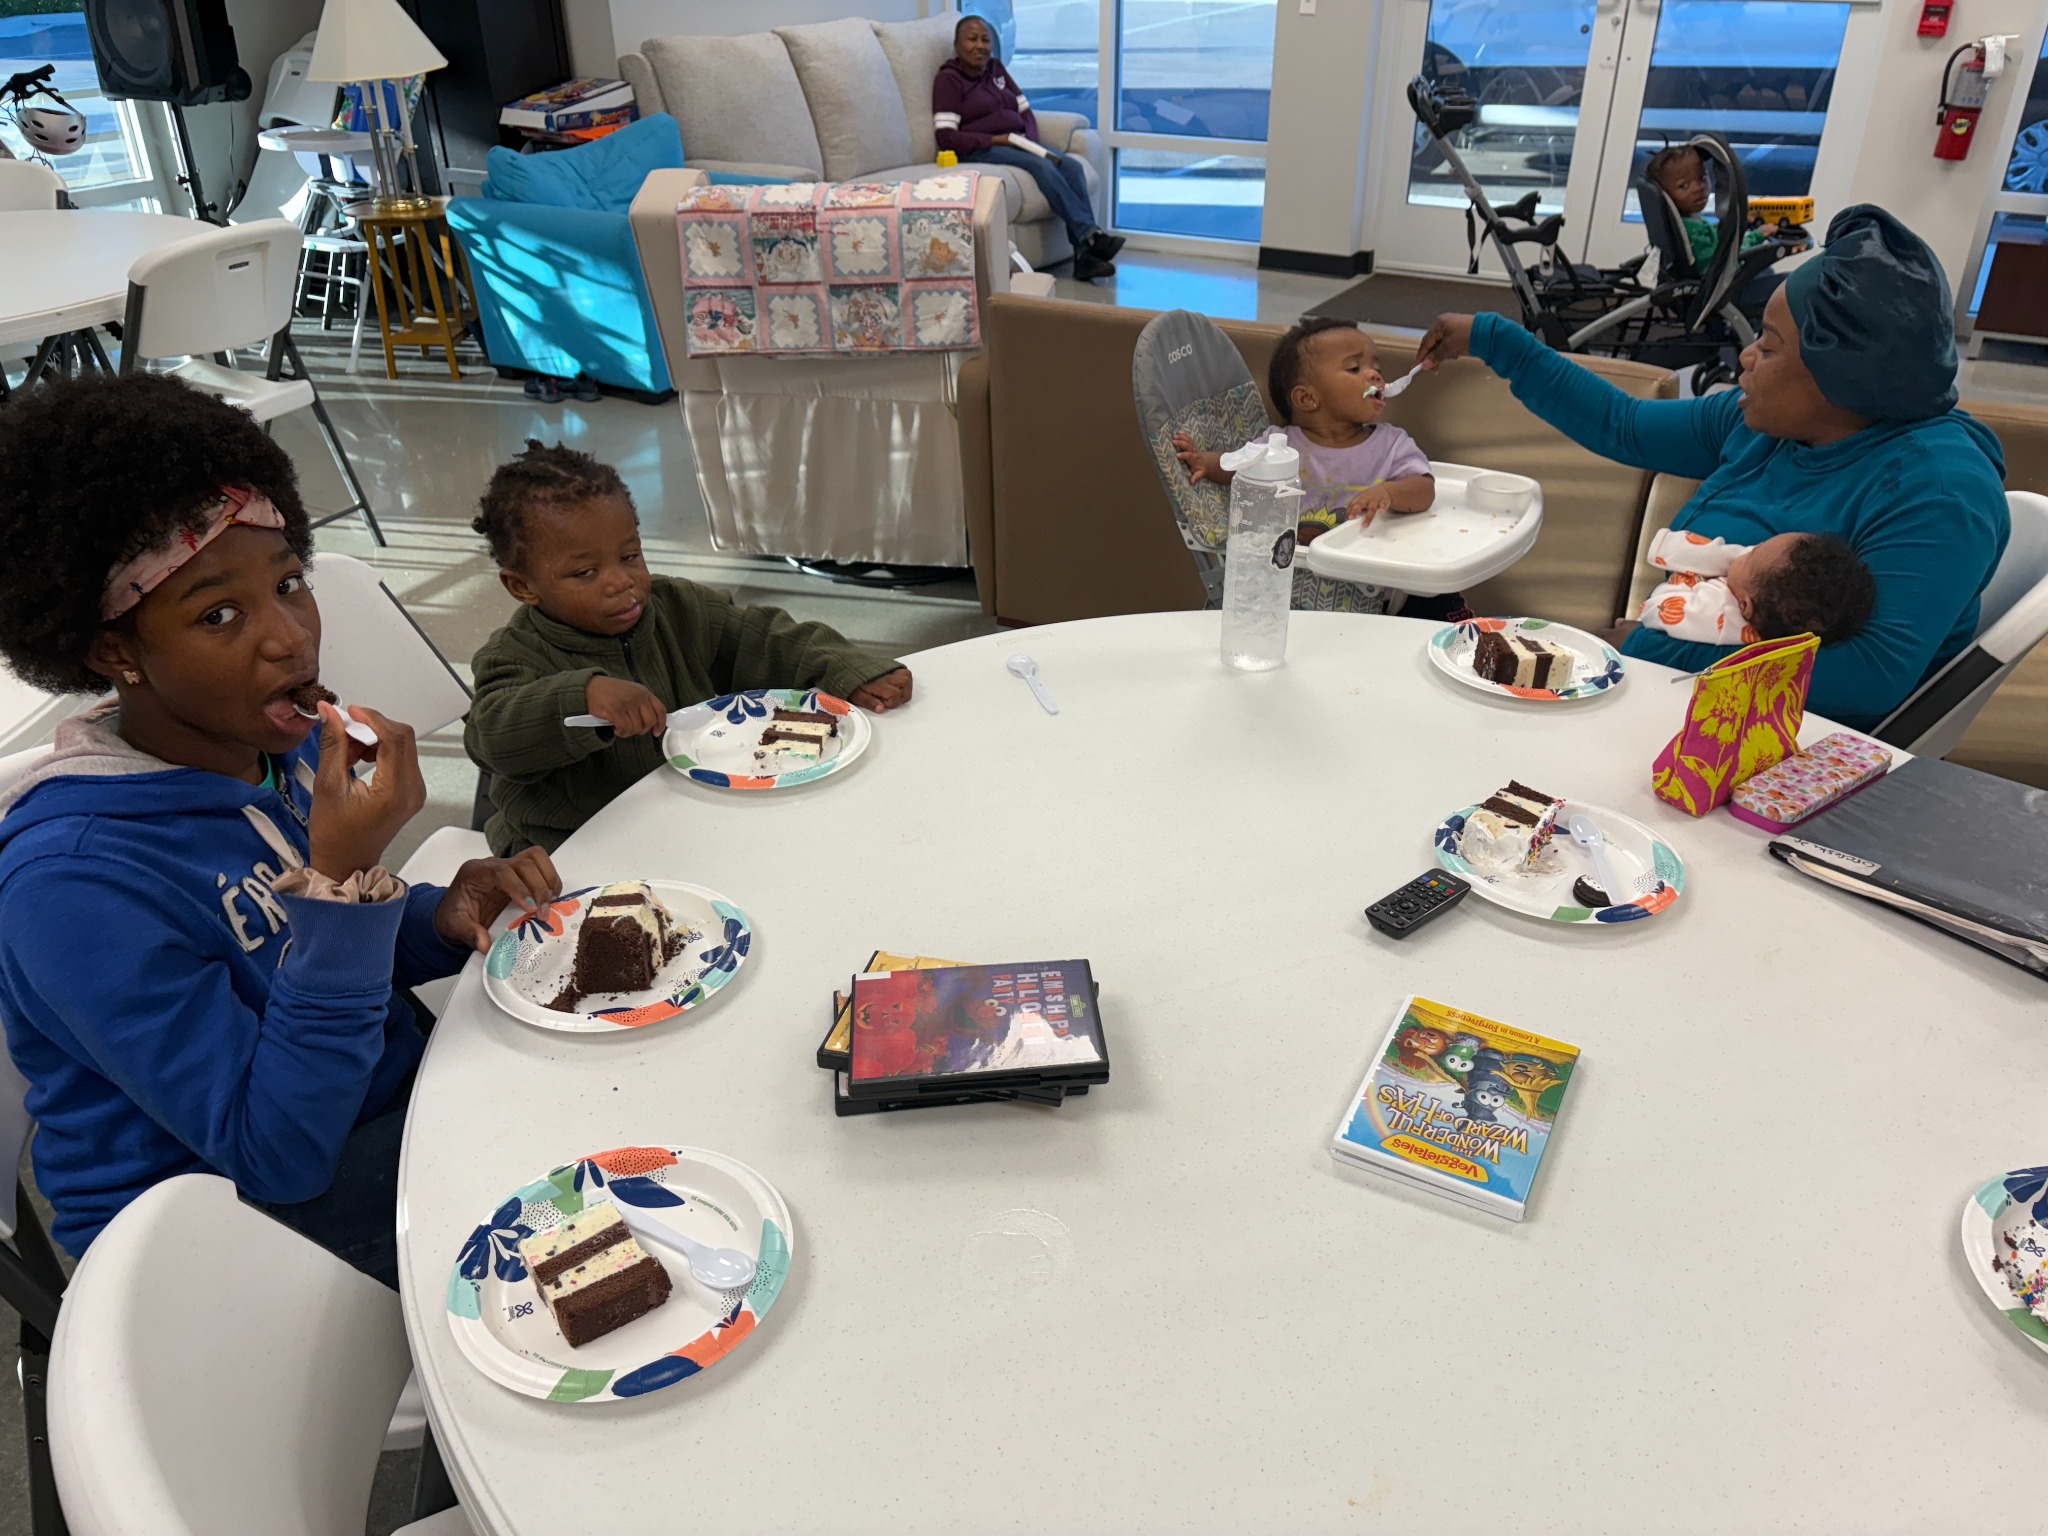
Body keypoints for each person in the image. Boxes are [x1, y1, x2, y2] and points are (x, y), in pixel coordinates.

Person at [0, 374, 560, 1288]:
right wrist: (342, 881)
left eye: (290, 583)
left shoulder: (263, 747)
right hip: (218, 1233)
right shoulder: (71, 884)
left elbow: (296, 957)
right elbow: (280, 1153)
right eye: (219, 614)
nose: (291, 638)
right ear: (114, 652)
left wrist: (432, 916)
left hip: (364, 1107)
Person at [1414, 204, 2010, 730]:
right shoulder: (1765, 425)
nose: (1746, 356)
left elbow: (1866, 677)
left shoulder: (1939, 489)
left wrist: (1649, 652)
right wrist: (1494, 340)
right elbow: (1624, 424)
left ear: (1840, 376)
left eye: (1769, 346)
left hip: (1780, 746)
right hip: (1679, 694)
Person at [465, 441, 912, 855]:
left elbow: (768, 639)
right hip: (567, 848)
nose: (621, 582)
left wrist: (847, 668)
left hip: (690, 815)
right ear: (522, 586)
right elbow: (490, 737)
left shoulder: (679, 606)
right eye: (585, 573)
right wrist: (582, 696)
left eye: (629, 556)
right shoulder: (512, 656)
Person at [1172, 318, 1465, 619]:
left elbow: (1424, 488)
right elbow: (1239, 466)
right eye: (1355, 368)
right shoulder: (1280, 445)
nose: (1375, 375)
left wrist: (1389, 493)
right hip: (1294, 587)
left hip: (1372, 589)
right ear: (1308, 398)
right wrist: (1207, 462)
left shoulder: (1392, 444)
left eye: (1375, 366)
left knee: (1442, 604)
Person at [934, 14, 1123, 282]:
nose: (980, 46)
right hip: (981, 148)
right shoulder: (949, 80)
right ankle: (1090, 236)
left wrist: (1030, 139)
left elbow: (1025, 111)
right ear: (957, 45)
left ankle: (1085, 258)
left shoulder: (996, 69)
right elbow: (946, 136)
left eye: (985, 40)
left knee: (1070, 165)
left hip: (1018, 141)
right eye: (972, 39)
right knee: (1041, 165)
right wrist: (997, 140)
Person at [1636, 530, 1874, 647]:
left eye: (1752, 553)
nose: (1743, 550)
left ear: (1744, 606)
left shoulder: (1717, 615)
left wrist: (1695, 573)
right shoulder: (1765, 602)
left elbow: (1655, 609)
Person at [1644, 145, 1782, 272]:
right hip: (1727, 283)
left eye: (1702, 178)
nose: (1698, 188)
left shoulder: (1684, 220)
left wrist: (1738, 224)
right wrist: (1757, 236)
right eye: (1684, 186)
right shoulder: (1693, 232)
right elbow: (1722, 261)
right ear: (1665, 195)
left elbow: (1713, 238)